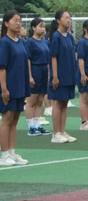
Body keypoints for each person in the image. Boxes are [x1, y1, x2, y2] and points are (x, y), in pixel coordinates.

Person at [0, 11, 30, 166]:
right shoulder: (4, 42)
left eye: (20, 20)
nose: (19, 23)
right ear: (6, 23)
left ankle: (12, 152)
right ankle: (4, 154)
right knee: (7, 118)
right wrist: (4, 89)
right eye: (15, 20)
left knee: (15, 119)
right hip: (10, 86)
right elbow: (2, 68)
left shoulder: (20, 41)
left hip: (20, 85)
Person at [49, 10, 78, 144]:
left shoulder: (70, 36)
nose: (68, 20)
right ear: (58, 21)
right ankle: (56, 133)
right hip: (60, 74)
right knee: (58, 102)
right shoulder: (56, 36)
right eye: (66, 18)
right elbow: (54, 57)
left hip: (69, 73)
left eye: (69, 17)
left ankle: (62, 130)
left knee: (65, 103)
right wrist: (55, 76)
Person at [25, 18, 52, 136]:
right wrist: (30, 76)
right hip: (35, 70)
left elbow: (48, 60)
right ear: (33, 28)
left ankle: (37, 125)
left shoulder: (45, 42)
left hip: (44, 71)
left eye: (44, 26)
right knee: (32, 100)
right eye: (40, 26)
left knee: (40, 100)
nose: (43, 28)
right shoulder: (30, 42)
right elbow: (28, 60)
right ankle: (30, 127)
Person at [76, 20, 88, 131]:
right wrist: (83, 74)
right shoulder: (82, 42)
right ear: (85, 29)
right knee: (84, 97)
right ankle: (83, 122)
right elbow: (81, 59)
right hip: (85, 70)